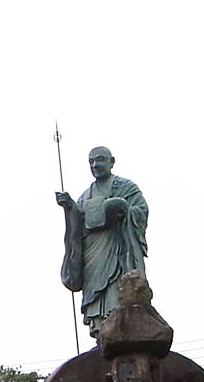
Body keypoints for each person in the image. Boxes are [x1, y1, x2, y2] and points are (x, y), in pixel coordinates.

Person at [56, 145, 148, 339]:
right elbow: (77, 229)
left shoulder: (125, 187)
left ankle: (121, 330)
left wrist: (122, 210)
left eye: (100, 160)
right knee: (98, 311)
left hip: (117, 254)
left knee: (118, 299)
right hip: (94, 260)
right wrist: (70, 207)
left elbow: (141, 211)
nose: (95, 165)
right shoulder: (84, 196)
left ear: (111, 162)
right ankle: (102, 337)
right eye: (91, 162)